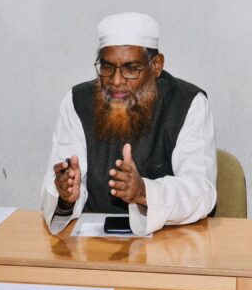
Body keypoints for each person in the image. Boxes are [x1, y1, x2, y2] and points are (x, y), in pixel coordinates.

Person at [40, 12, 217, 236]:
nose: (116, 80)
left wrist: (144, 192)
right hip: (92, 243)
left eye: (131, 68)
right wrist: (66, 196)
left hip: (169, 241)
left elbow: (201, 190)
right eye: (107, 67)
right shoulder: (78, 102)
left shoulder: (187, 103)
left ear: (156, 65)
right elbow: (63, 180)